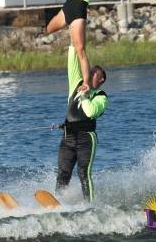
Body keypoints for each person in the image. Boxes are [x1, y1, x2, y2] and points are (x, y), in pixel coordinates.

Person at [55, 44, 108, 202]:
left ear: (101, 79)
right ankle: (59, 201)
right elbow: (73, 59)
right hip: (68, 138)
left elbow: (90, 112)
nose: (88, 73)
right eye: (88, 70)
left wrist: (85, 96)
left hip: (86, 139)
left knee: (83, 173)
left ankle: (89, 206)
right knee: (63, 173)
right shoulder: (75, 86)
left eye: (92, 73)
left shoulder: (101, 97)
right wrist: (74, 40)